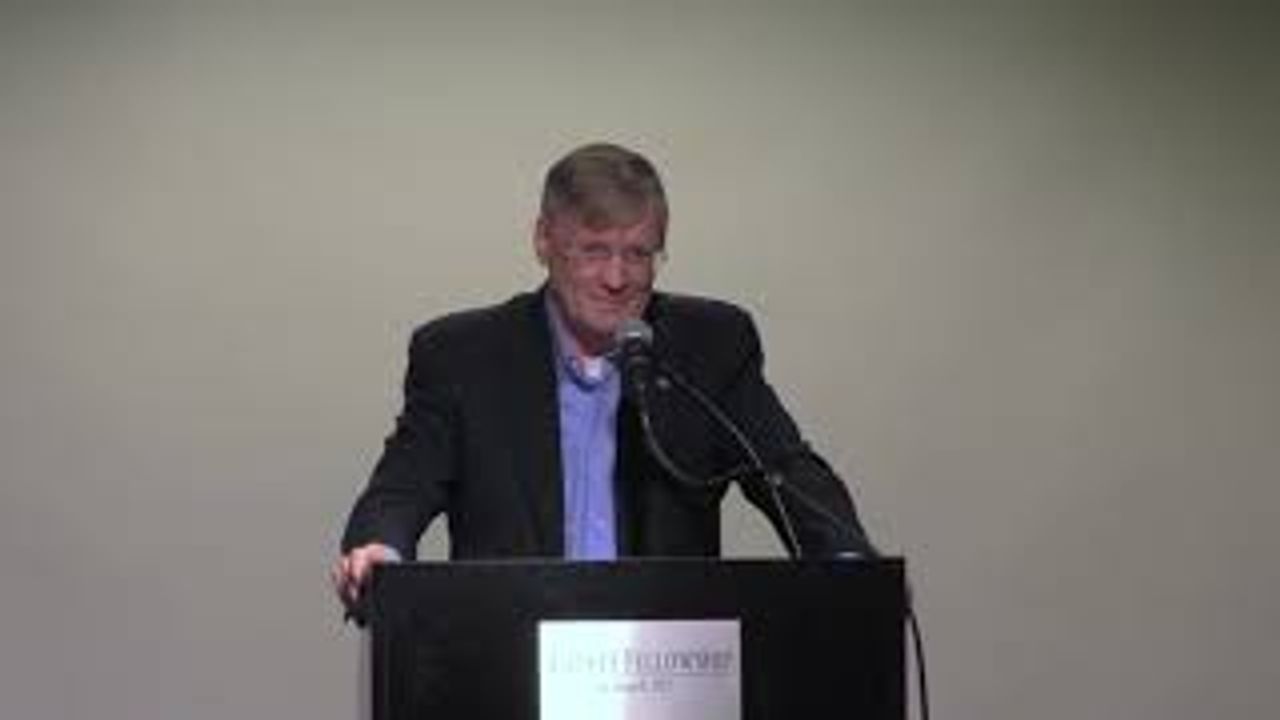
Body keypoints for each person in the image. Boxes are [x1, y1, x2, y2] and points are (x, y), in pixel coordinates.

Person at [332, 142, 872, 613]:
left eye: (637, 254)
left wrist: (851, 564)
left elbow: (786, 470)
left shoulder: (708, 345)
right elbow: (403, 484)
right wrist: (381, 549)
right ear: (544, 241)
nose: (616, 278)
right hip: (507, 650)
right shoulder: (462, 356)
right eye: (593, 251)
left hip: (667, 661)